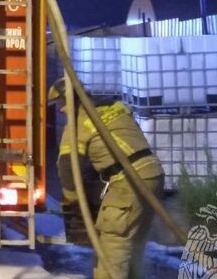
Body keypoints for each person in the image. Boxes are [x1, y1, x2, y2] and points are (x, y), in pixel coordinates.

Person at [52, 78, 164, 279]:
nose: (61, 110)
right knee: (133, 243)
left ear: (71, 101)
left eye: (61, 104)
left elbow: (67, 166)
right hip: (153, 175)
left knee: (112, 247)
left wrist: (72, 200)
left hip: (128, 182)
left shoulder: (78, 123)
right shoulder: (116, 106)